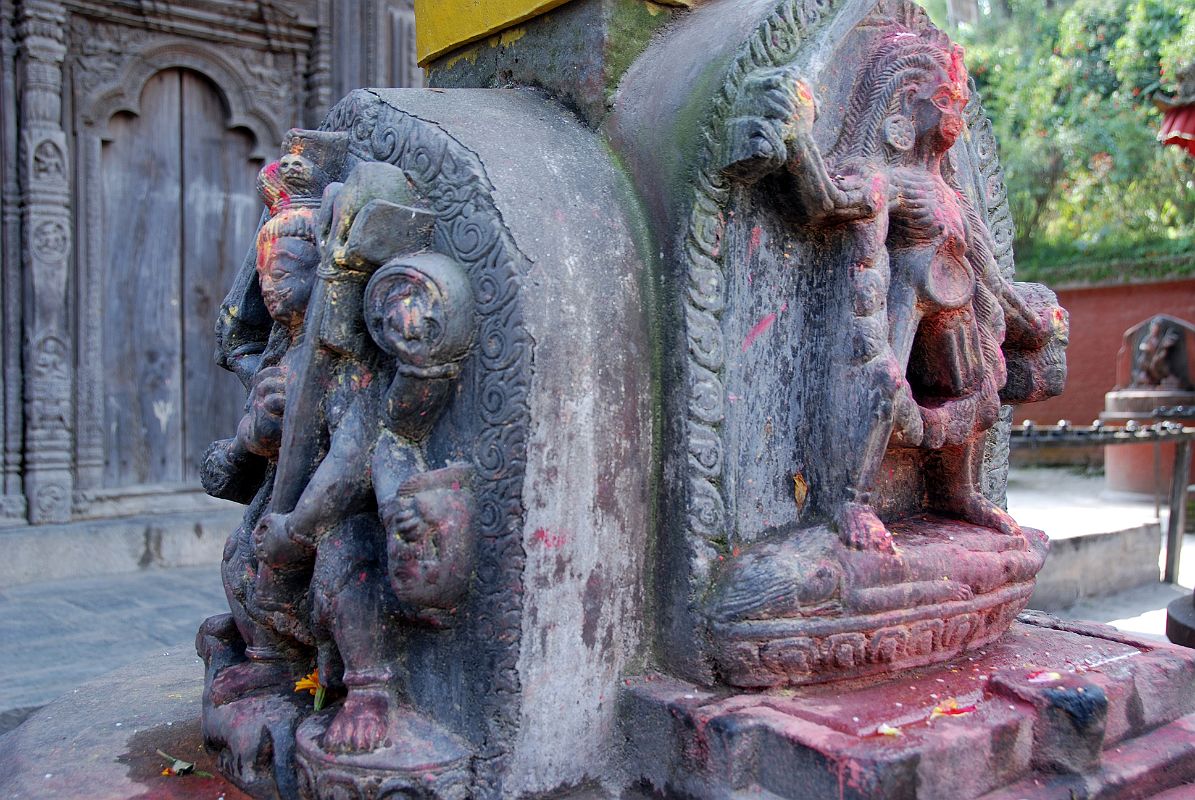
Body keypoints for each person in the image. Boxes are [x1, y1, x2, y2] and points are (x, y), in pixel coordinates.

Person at [755, 25, 1058, 553]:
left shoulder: (952, 196)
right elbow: (826, 201)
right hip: (905, 307)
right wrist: (799, 138)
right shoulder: (886, 177)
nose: (953, 114)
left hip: (960, 311)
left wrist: (1037, 323)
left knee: (973, 394)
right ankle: (852, 500)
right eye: (942, 101)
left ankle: (958, 492)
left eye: (958, 101)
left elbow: (991, 279)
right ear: (905, 109)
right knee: (880, 385)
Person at [252, 254, 477, 753]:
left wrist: (295, 531)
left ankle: (368, 688)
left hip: (347, 523)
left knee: (346, 554)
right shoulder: (300, 359)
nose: (271, 286)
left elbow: (356, 458)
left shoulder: (371, 378)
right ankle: (265, 658)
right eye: (265, 274)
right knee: (244, 560)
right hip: (285, 520)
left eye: (286, 270)